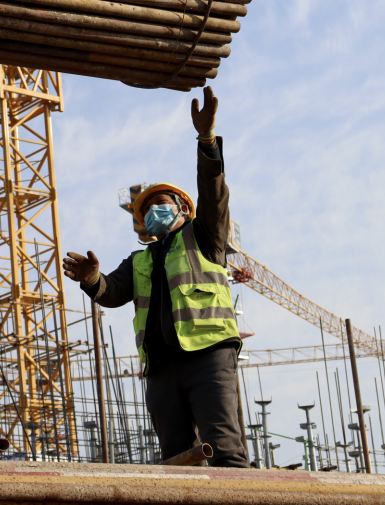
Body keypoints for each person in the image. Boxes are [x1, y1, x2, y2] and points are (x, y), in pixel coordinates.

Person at [62, 86, 249, 468]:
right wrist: (92, 279)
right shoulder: (140, 260)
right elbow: (113, 292)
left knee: (224, 450)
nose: (151, 213)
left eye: (159, 205)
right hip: (162, 368)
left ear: (182, 209)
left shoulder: (204, 235)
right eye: (145, 211)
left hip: (208, 356)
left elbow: (214, 195)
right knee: (177, 461)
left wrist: (207, 141)